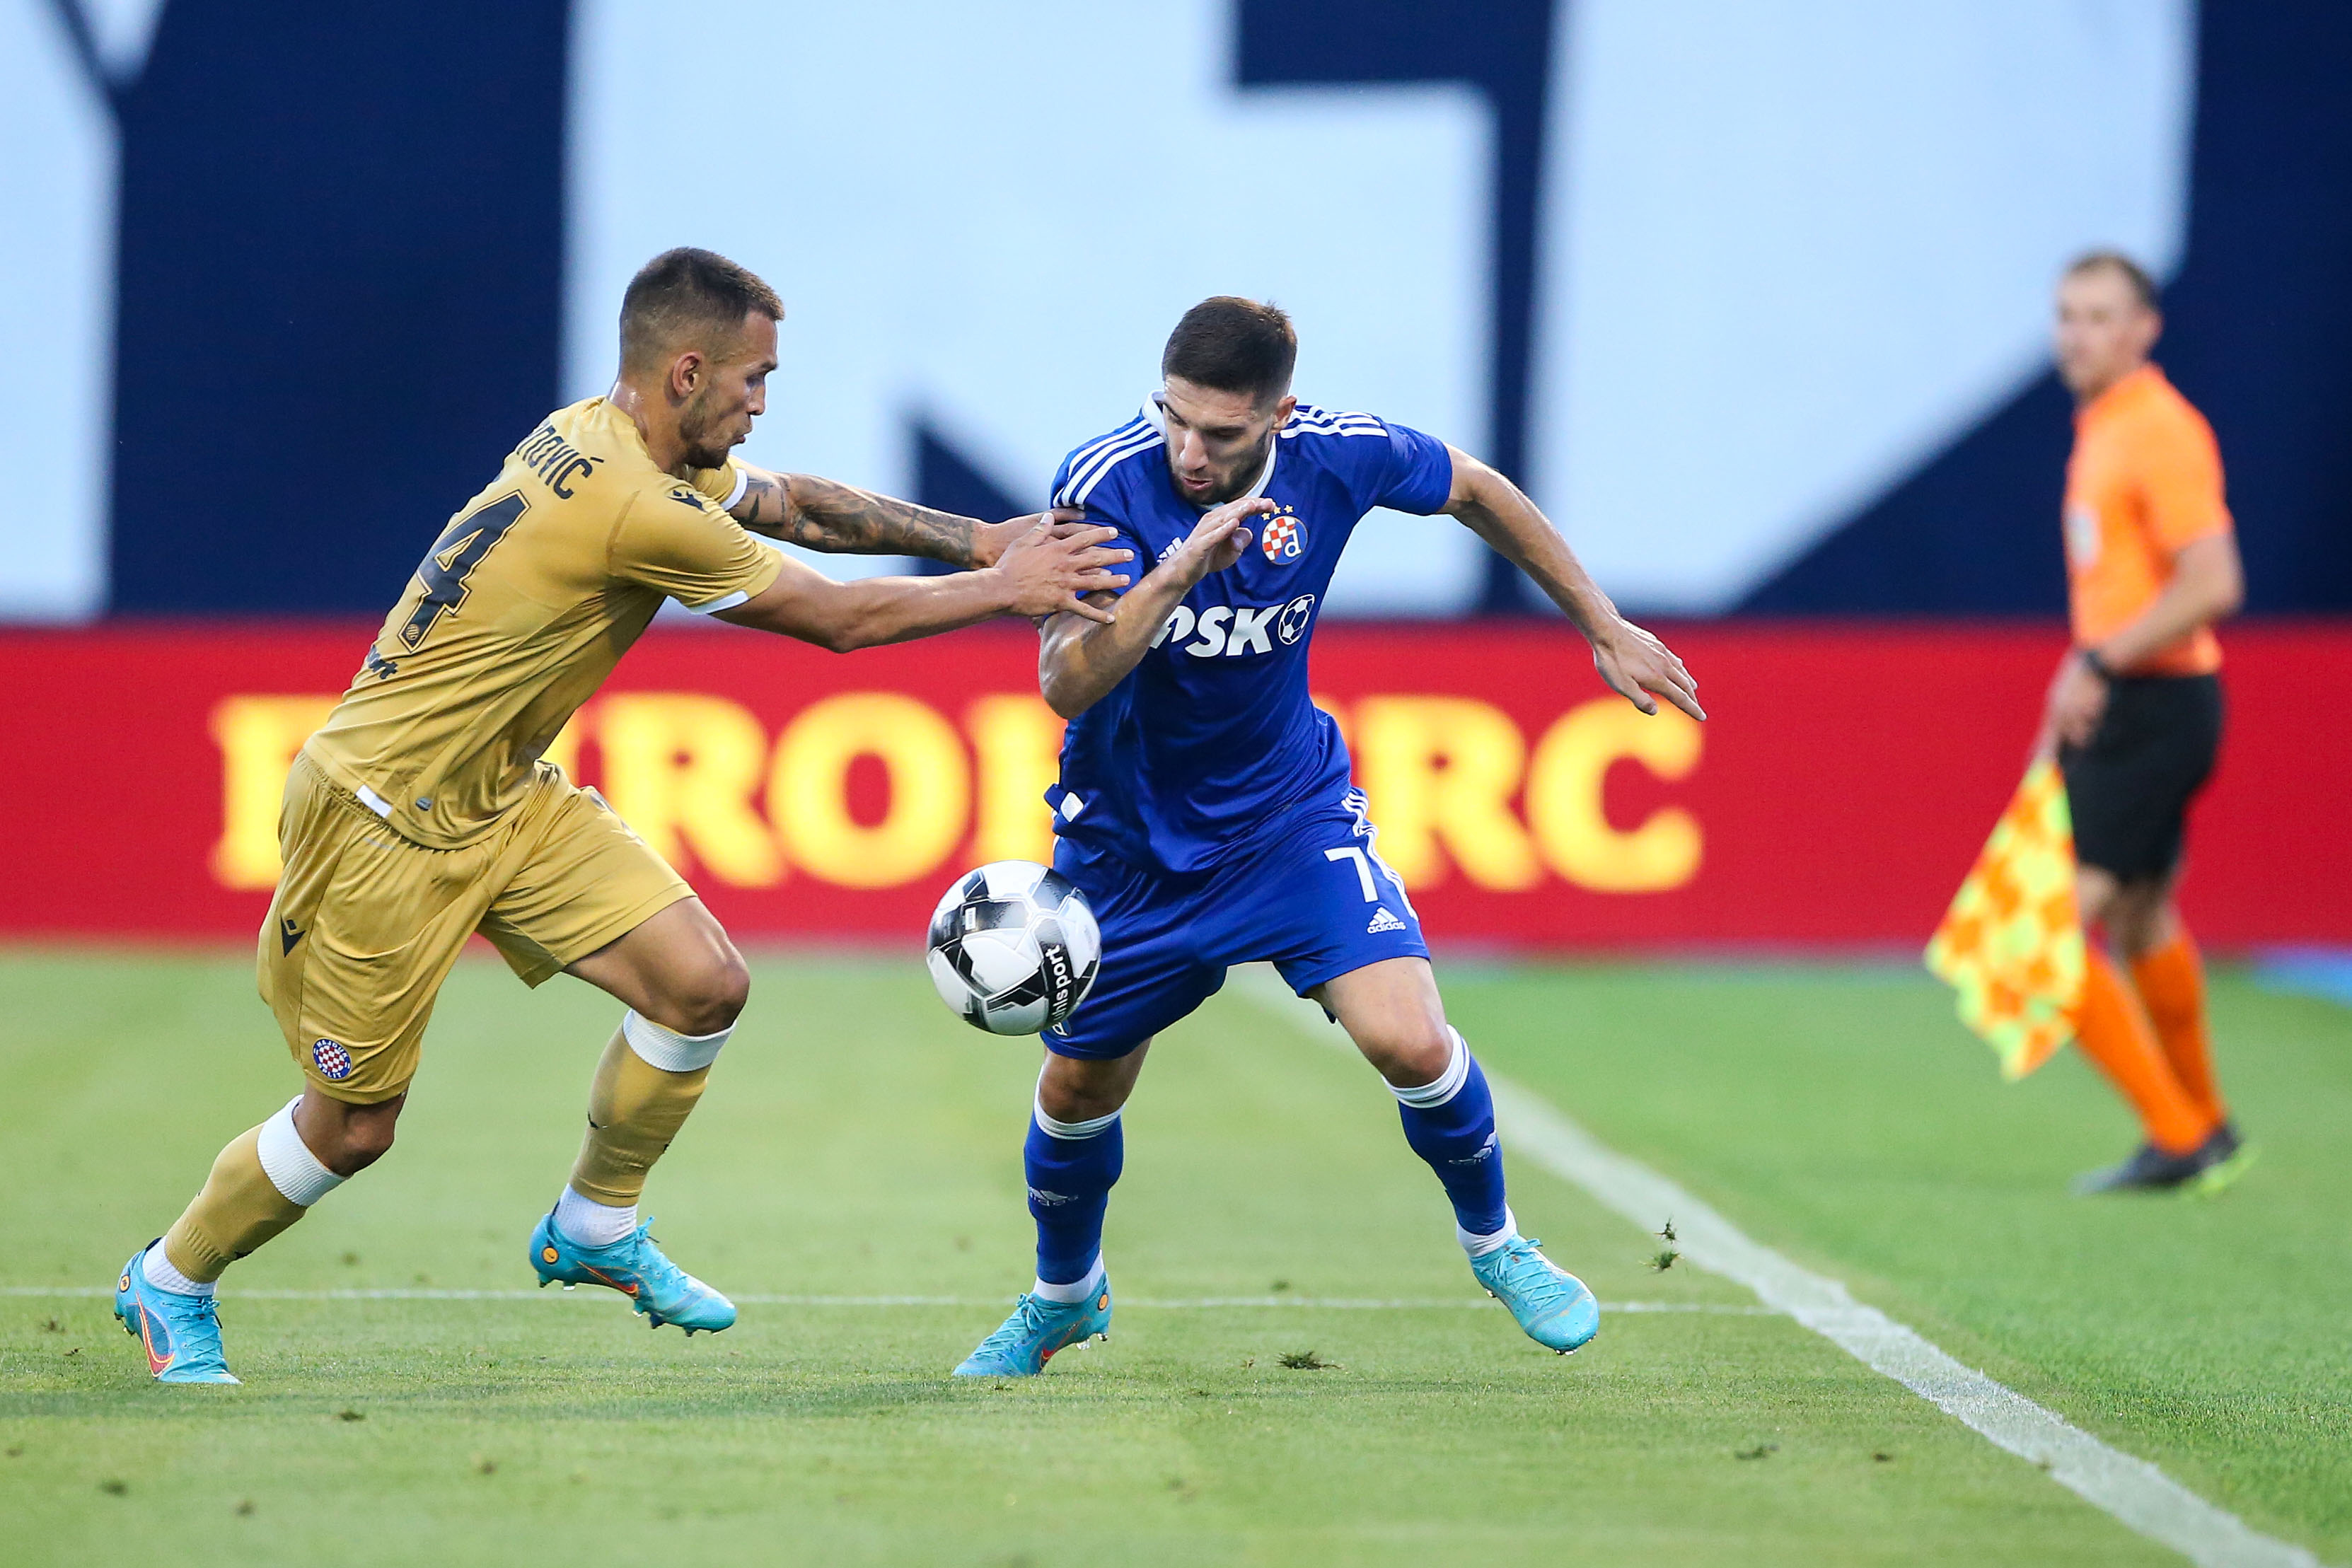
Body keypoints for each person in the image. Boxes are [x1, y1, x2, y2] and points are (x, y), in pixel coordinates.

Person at [114, 248, 1132, 1383]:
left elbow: (797, 505)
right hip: (379, 820)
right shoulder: (637, 503)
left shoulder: (613, 433)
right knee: (353, 1126)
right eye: (754, 379)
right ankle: (171, 1277)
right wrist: (1004, 590)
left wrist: (982, 539)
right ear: (688, 370)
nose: (760, 401)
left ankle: (595, 1223)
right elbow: (835, 620)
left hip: (500, 793)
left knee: (702, 983)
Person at [953, 297, 1702, 1376]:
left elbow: (1477, 489)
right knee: (1077, 1090)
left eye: (1218, 432)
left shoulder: (1337, 458)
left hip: (1283, 818)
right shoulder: (1105, 483)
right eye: (1172, 418)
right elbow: (1066, 685)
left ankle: (1499, 1245)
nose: (1188, 450)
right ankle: (1063, 1296)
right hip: (1128, 844)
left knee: (1406, 1036)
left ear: (1276, 415)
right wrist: (1172, 579)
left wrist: (1600, 620)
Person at [2039, 252, 2252, 1195]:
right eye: (2066, 315)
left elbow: (2213, 583)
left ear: (2142, 329)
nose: (2077, 334)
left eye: (2098, 317)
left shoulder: (2156, 430)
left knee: (2046, 933)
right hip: (2147, 697)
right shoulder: (2107, 428)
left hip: (2155, 702)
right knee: (2138, 915)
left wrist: (2097, 660)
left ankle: (2177, 1136)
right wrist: (2085, 667)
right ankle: (2204, 1122)